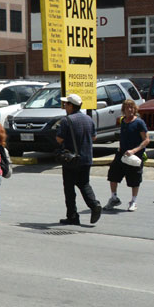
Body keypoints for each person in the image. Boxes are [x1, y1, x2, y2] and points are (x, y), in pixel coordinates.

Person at [56, 93, 102, 225]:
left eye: (66, 104)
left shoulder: (66, 120)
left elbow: (59, 139)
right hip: (86, 158)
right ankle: (94, 205)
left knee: (69, 188)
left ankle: (72, 216)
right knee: (84, 183)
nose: (64, 106)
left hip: (71, 159)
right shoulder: (88, 119)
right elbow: (94, 138)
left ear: (71, 106)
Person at [107, 99, 149, 212]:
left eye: (131, 107)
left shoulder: (139, 122)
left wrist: (134, 150)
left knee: (134, 179)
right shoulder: (123, 121)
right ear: (123, 110)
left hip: (134, 156)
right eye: (127, 107)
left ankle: (133, 201)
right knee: (113, 175)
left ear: (135, 109)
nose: (129, 110)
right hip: (121, 154)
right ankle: (114, 198)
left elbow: (146, 140)